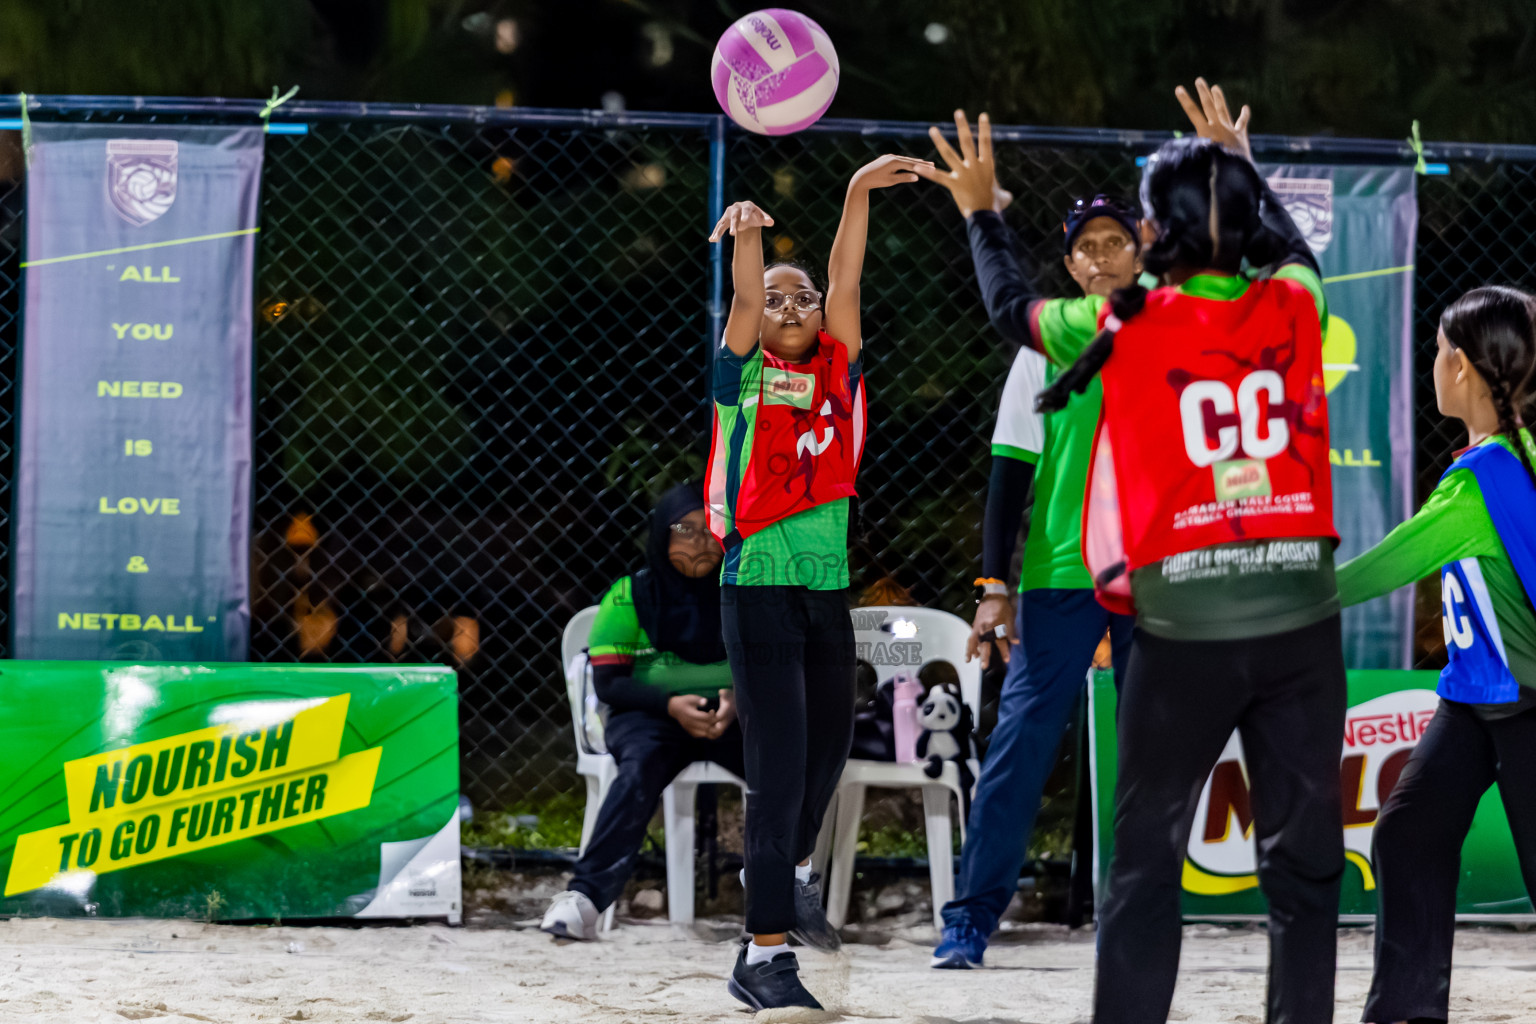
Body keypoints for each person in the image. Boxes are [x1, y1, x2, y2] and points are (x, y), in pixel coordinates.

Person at [1035, 80, 1344, 1024]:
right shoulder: (1294, 303)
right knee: (1305, 863)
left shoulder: (1125, 323)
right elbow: (1292, 252)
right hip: (1298, 626)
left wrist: (980, 215)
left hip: (1183, 631)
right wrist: (1242, 169)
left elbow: (1009, 305)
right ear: (1246, 224)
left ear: (1149, 231)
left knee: (1146, 855)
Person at [914, 110, 1141, 968]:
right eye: (1087, 247)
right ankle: (969, 920)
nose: (1100, 256)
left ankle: (1141, 917)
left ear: (1142, 252)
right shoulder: (1045, 346)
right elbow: (1008, 476)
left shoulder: (1165, 331)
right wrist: (990, 587)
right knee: (1018, 750)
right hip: (1062, 576)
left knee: (1157, 753)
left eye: (1115, 242)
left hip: (1156, 576)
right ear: (1071, 262)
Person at [706, 152, 929, 1011]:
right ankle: (762, 956)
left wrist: (855, 192)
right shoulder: (742, 377)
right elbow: (743, 299)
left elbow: (847, 278)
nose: (792, 306)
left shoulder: (838, 368)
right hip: (758, 585)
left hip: (826, 589)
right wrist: (750, 235)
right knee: (778, 767)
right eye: (778, 299)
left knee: (830, 747)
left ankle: (789, 875)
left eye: (803, 297)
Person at [1333, 286, 1536, 1024]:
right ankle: (1406, 1013)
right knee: (1410, 835)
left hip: (1525, 702)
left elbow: (1370, 573)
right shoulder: (1513, 456)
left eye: (1440, 350)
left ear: (1462, 367)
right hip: (1475, 697)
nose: (1432, 364)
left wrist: (1264, 586)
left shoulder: (1476, 486)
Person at [540, 482, 742, 940]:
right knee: (637, 769)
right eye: (684, 529)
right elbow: (610, 684)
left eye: (710, 529)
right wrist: (670, 704)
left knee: (783, 765)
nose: (700, 541)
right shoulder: (630, 595)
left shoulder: (742, 592)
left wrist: (737, 700)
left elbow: (772, 668)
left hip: (732, 715)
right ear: (661, 535)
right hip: (651, 716)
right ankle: (583, 899)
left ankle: (791, 893)